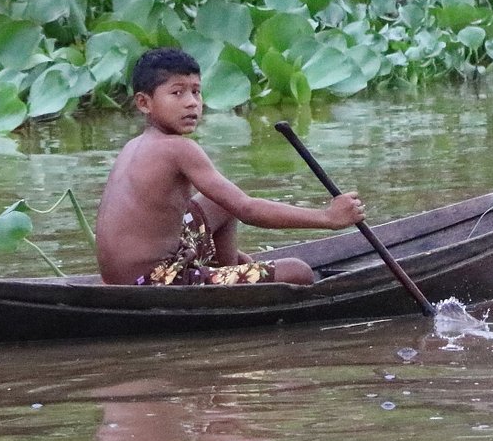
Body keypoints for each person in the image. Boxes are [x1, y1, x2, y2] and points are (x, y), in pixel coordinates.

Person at [96, 47, 365, 286]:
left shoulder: (135, 145)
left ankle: (228, 273)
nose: (191, 102)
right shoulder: (179, 148)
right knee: (298, 271)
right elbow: (246, 209)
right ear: (144, 103)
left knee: (220, 203)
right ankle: (231, 282)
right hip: (155, 281)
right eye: (177, 93)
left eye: (196, 91)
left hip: (124, 277)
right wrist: (327, 218)